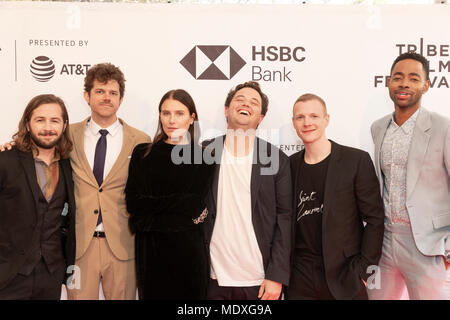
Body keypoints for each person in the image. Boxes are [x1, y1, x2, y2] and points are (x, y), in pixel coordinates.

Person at [286, 93, 384, 300]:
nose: (307, 123)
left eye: (314, 116)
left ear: (326, 119)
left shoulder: (355, 160)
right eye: (300, 117)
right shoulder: (290, 165)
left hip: (345, 276)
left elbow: (374, 219)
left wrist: (364, 271)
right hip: (299, 277)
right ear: (293, 123)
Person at [369, 52, 450, 300]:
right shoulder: (378, 127)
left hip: (430, 246)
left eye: (414, 78)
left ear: (426, 85)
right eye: (398, 77)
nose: (404, 83)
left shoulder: (443, 127)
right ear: (389, 83)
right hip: (385, 242)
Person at [66, 63, 151, 299]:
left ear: (121, 99)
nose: (107, 98)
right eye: (100, 91)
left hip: (123, 246)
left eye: (113, 93)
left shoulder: (140, 141)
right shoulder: (67, 135)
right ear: (87, 95)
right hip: (81, 247)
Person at [203, 81, 292, 300]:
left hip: (259, 281)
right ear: (227, 110)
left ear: (260, 118)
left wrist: (276, 275)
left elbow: (285, 219)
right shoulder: (204, 152)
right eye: (240, 100)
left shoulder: (275, 158)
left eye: (254, 103)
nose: (246, 104)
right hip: (212, 278)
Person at [125, 89, 214, 300]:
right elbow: (134, 204)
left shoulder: (203, 157)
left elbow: (195, 205)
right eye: (166, 113)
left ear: (192, 118)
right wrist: (181, 204)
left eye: (179, 113)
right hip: (150, 252)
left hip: (188, 252)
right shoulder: (142, 153)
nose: (171, 120)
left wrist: (152, 210)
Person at [0, 94, 75, 299]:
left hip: (51, 275)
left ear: (64, 124)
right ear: (27, 123)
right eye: (40, 120)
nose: (47, 127)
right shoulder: (6, 159)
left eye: (55, 121)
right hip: (9, 274)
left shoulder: (69, 164)